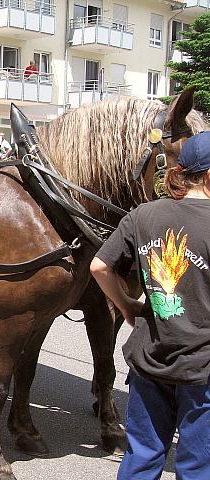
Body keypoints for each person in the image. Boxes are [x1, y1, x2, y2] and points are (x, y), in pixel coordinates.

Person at [90, 131, 210, 480]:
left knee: (141, 457)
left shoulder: (142, 215)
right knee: (197, 466)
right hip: (201, 367)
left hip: (149, 360)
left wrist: (127, 304)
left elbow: (99, 266)